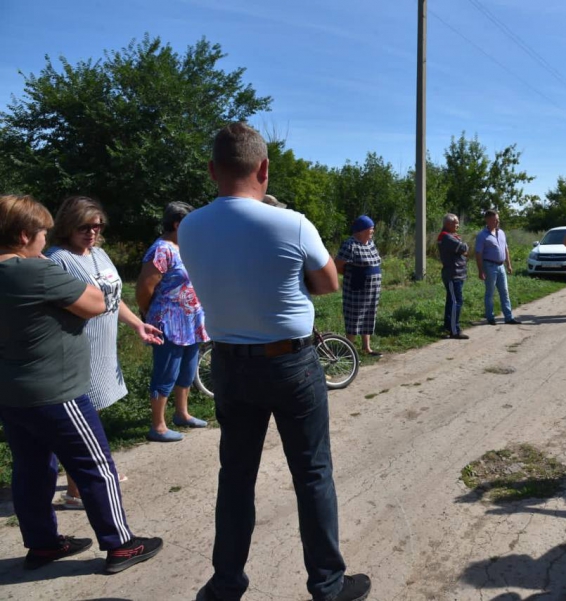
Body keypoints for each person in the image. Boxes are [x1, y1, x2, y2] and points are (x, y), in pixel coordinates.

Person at [178, 122, 371, 601]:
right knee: (311, 474)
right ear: (263, 169)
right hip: (291, 364)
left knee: (236, 475)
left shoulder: (189, 226)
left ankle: (225, 584)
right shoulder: (292, 223)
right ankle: (327, 586)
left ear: (211, 171)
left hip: (228, 363)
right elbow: (326, 283)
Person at [0, 194, 162, 574]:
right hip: (57, 390)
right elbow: (93, 303)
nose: (46, 239)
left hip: (12, 391)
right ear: (25, 235)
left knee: (30, 469)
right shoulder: (35, 270)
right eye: (43, 233)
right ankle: (121, 544)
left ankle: (42, 545)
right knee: (96, 467)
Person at [46, 196, 163, 509]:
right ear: (67, 225)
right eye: (84, 227)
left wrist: (137, 324)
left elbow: (113, 297)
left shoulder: (98, 254)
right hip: (76, 348)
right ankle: (76, 490)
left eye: (97, 227)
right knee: (77, 422)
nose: (92, 233)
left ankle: (96, 472)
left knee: (92, 414)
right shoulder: (57, 259)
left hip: (102, 348)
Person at [136, 201, 210, 442]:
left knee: (187, 372)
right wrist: (150, 316)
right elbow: (143, 290)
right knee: (166, 373)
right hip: (168, 323)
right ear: (177, 223)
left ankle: (182, 414)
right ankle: (157, 426)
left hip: (191, 322)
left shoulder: (186, 247)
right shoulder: (162, 250)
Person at [335, 215, 383, 356]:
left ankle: (366, 348)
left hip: (372, 288)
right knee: (355, 316)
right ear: (361, 230)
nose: (373, 231)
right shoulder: (350, 244)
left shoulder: (370, 243)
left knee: (369, 314)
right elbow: (337, 265)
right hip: (357, 287)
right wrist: (354, 275)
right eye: (371, 229)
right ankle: (348, 349)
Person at [475, 209, 521, 325]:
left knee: (504, 291)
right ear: (488, 220)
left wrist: (509, 264)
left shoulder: (501, 233)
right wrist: (480, 271)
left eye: (498, 220)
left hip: (501, 266)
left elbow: (505, 249)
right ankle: (490, 317)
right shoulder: (482, 235)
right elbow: (478, 253)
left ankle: (508, 317)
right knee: (490, 292)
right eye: (495, 220)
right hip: (489, 265)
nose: (497, 222)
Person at [438, 213, 469, 339]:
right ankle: (454, 330)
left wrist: (463, 248)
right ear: (448, 224)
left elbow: (463, 249)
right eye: (455, 222)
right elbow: (463, 247)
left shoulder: (450, 236)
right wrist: (463, 247)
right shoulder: (446, 237)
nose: (458, 225)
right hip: (453, 274)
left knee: (452, 301)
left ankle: (448, 325)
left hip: (457, 273)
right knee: (456, 301)